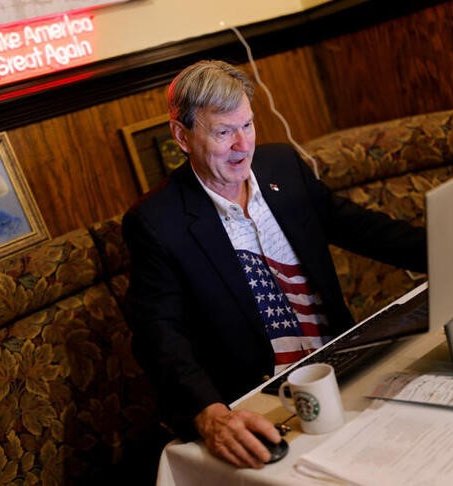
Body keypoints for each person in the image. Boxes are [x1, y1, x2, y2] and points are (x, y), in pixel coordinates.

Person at [122, 60, 426, 469]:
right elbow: (160, 336)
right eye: (223, 132)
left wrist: (449, 249)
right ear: (182, 136)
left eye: (247, 125)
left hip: (344, 368)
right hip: (260, 404)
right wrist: (211, 415)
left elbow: (360, 229)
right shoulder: (157, 222)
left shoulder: (282, 166)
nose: (242, 145)